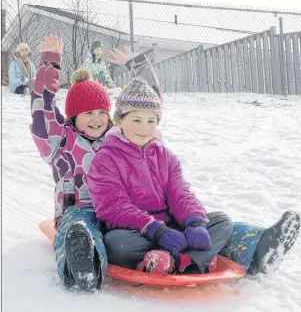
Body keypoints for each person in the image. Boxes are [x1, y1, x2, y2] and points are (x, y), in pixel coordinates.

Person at [88, 48, 300, 276]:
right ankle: (188, 259)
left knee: (221, 222)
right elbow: (113, 206)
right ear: (120, 121)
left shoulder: (165, 156)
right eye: (136, 119)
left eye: (151, 120)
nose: (144, 127)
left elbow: (180, 193)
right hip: (137, 232)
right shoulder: (106, 158)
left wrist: (194, 223)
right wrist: (155, 230)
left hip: (173, 228)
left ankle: (176, 261)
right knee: (116, 244)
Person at [30, 35, 161, 290]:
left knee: (154, 220)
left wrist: (138, 63)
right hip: (79, 209)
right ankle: (81, 265)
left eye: (102, 112)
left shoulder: (120, 138)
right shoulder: (59, 141)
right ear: (74, 116)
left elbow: (147, 108)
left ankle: (174, 252)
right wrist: (49, 63)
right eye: (88, 113)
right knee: (80, 228)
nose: (97, 119)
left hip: (120, 208)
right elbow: (41, 108)